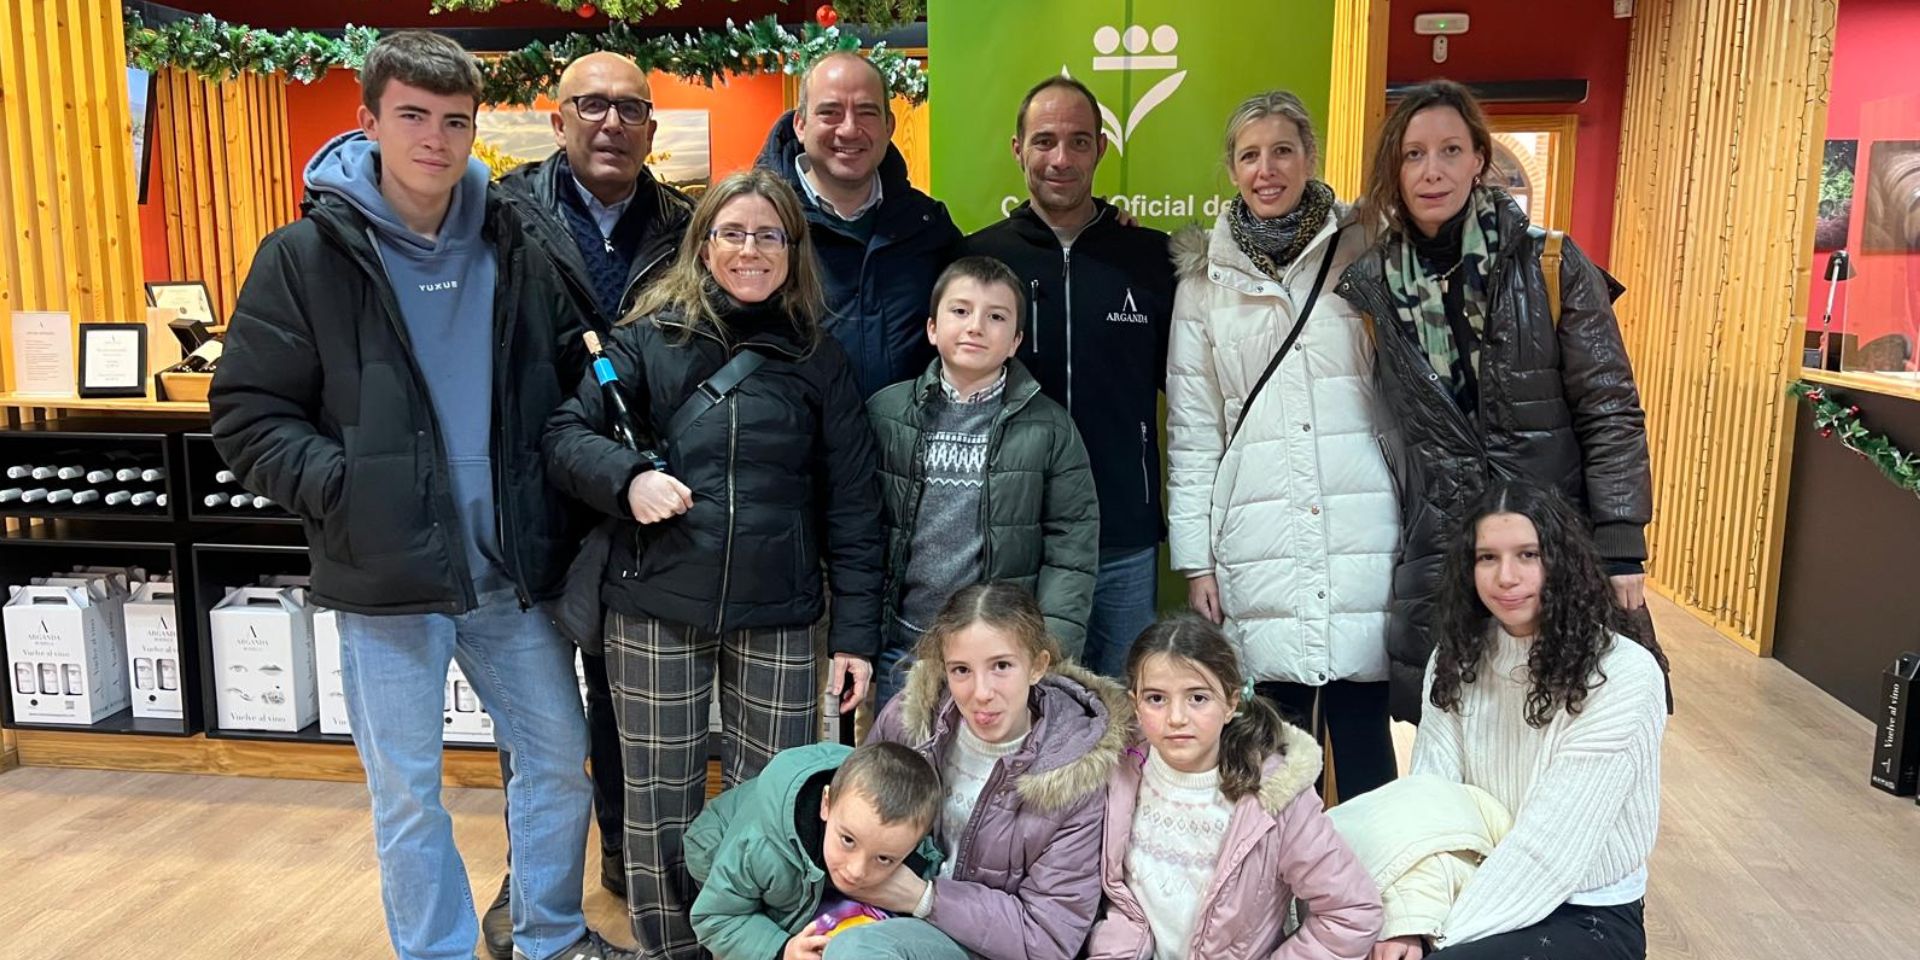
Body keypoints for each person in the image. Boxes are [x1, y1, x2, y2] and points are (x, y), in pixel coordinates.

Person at [209, 31, 628, 960]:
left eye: (453, 121)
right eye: (412, 117)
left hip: (509, 576)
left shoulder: (511, 239)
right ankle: (434, 949)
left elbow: (575, 365)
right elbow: (246, 414)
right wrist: (348, 490)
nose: (434, 140)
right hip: (387, 581)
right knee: (407, 790)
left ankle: (549, 936)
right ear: (368, 122)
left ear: (474, 129)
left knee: (559, 761)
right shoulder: (306, 256)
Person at [543, 168, 884, 960]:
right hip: (655, 609)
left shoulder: (818, 358)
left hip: (783, 616)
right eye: (731, 232)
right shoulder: (645, 340)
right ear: (702, 245)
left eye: (769, 234)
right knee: (660, 799)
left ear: (792, 250)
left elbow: (855, 508)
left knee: (772, 801)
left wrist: (855, 636)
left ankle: (758, 946)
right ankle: (671, 949)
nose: (750, 249)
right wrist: (628, 480)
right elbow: (565, 437)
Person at [1335, 79, 1653, 723]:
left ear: (1480, 158)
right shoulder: (1371, 287)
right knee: (1460, 727)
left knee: (1574, 717)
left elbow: (1610, 408)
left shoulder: (1549, 265)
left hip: (1553, 536)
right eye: (1414, 154)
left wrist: (1622, 546)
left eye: (1451, 150)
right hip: (1447, 546)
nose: (1433, 171)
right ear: (1393, 168)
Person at [488, 50, 692, 956]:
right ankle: (532, 883)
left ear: (652, 126)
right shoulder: (503, 216)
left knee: (626, 693)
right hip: (534, 481)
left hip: (641, 489)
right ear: (557, 116)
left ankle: (620, 859)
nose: (612, 123)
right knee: (535, 710)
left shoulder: (687, 225)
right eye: (593, 106)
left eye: (631, 109)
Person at [1166, 90, 1399, 797]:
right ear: (1232, 169)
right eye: (1250, 155)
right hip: (1256, 526)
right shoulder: (1204, 282)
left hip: (1361, 518)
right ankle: (1274, 898)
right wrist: (1194, 560)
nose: (1267, 169)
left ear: (1309, 158)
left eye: (1283, 151)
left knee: (1365, 731)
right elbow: (1193, 428)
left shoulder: (1365, 253)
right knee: (1273, 746)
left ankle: (1372, 896)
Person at [1371, 478, 1669, 959]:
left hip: (1584, 908)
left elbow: (1550, 851)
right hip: (1469, 883)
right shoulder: (1456, 655)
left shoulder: (1624, 673)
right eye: (1487, 557)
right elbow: (1432, 804)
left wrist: (1439, 938)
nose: (1505, 577)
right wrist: (1410, 919)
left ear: (1562, 561)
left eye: (1528, 555)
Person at [965, 75, 1175, 675]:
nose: (1061, 159)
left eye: (1079, 142)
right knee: (1020, 712)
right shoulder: (978, 261)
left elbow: (1191, 396)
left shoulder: (1152, 259)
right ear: (1018, 149)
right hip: (1013, 536)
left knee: (1121, 708)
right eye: (1045, 141)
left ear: (1101, 149)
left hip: (1122, 532)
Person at [842, 581, 1128, 960]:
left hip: (993, 948)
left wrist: (924, 897)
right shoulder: (909, 722)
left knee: (859, 948)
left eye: (1002, 667)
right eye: (961, 670)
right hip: (884, 914)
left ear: (1037, 666)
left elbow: (1049, 937)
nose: (981, 692)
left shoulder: (1073, 771)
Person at [866, 255, 1100, 706]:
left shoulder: (1050, 427)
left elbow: (1072, 545)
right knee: (904, 771)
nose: (975, 326)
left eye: (995, 317)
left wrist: (1047, 647)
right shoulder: (885, 414)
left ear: (1015, 341)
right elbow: (856, 529)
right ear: (932, 328)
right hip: (904, 650)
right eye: (960, 311)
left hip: (999, 658)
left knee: (993, 772)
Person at [1086, 613, 1383, 960]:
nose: (1176, 717)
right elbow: (1120, 906)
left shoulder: (1276, 796)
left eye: (1197, 698)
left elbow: (1352, 911)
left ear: (1230, 703)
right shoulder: (1117, 771)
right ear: (1135, 702)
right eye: (1156, 699)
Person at [757, 51, 964, 397]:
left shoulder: (928, 226)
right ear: (801, 123)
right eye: (830, 112)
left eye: (867, 112)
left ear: (889, 126)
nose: (849, 129)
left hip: (908, 446)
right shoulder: (757, 228)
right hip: (801, 449)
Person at [683, 740, 945, 960]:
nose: (857, 871)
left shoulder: (907, 840)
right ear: (826, 804)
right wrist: (782, 949)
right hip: (716, 845)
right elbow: (715, 917)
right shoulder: (759, 846)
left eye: (884, 858)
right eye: (848, 841)